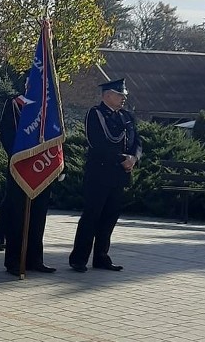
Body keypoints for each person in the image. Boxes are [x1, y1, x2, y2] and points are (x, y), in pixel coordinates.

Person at [69, 78, 142, 273]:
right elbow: (97, 143)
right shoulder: (96, 114)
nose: (123, 98)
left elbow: (137, 141)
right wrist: (122, 159)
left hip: (119, 175)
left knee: (110, 217)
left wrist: (134, 158)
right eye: (120, 95)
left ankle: (101, 256)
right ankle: (79, 258)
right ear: (107, 95)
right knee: (91, 216)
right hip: (99, 174)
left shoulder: (126, 116)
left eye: (124, 95)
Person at [0, 95, 56, 276]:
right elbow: (6, 134)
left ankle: (35, 259)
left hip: (42, 168)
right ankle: (14, 260)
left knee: (38, 216)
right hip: (20, 169)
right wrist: (24, 158)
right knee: (17, 217)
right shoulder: (15, 103)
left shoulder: (48, 105)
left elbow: (54, 132)